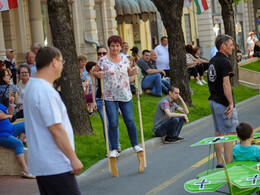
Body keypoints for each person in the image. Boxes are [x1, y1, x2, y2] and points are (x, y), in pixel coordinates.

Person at [23, 46, 83, 194]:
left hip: (44, 163)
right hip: (55, 163)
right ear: (54, 62)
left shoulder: (32, 86)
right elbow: (56, 129)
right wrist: (73, 158)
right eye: (62, 61)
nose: (63, 65)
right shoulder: (45, 91)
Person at [93, 35, 143, 158]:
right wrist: (98, 74)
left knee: (129, 120)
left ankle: (135, 144)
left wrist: (133, 72)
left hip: (125, 94)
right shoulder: (103, 60)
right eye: (112, 46)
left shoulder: (125, 59)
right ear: (109, 47)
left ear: (120, 47)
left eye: (117, 46)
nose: (115, 48)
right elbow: (94, 71)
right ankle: (115, 148)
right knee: (113, 122)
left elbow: (129, 71)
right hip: (110, 95)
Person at [207, 34, 238, 168]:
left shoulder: (213, 60)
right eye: (230, 45)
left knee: (219, 132)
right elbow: (226, 84)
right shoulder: (225, 62)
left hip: (214, 100)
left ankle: (220, 162)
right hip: (223, 103)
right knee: (230, 133)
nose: (232, 47)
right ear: (223, 46)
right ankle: (229, 165)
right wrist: (231, 104)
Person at [0, 96, 34, 179]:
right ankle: (25, 171)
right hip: (2, 135)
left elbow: (10, 113)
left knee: (26, 124)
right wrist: (7, 116)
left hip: (10, 130)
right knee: (18, 144)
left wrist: (11, 104)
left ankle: (19, 142)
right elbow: (2, 116)